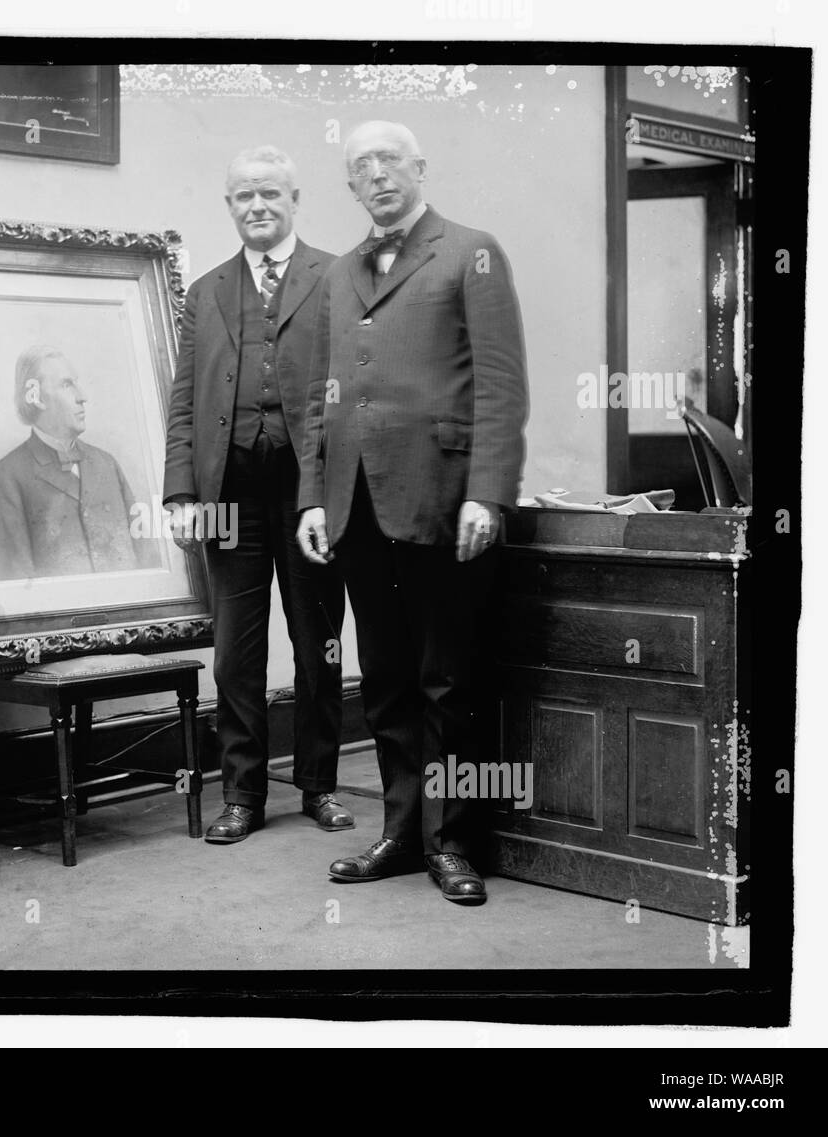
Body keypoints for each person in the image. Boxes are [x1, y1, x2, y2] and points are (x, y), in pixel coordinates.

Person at [296, 121, 529, 904]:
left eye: (390, 159)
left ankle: (451, 840)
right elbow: (319, 396)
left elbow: (499, 385)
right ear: (351, 187)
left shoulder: (471, 252)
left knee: (448, 681)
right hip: (356, 505)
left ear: (419, 167)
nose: (377, 174)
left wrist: (488, 492)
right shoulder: (337, 274)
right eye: (361, 166)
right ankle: (399, 832)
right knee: (387, 679)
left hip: (441, 499)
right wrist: (313, 498)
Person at [163, 145, 352, 844]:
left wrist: (328, 496)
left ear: (295, 200)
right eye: (245, 196)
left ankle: (319, 784)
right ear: (230, 207)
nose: (258, 207)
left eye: (271, 194)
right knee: (236, 654)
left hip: (309, 498)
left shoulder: (338, 279)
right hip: (230, 495)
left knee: (317, 643)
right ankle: (241, 794)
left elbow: (349, 399)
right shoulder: (205, 292)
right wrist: (181, 490)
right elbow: (184, 402)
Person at [0, 345, 159, 580]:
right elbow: (15, 584)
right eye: (67, 385)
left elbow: (148, 560)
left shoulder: (106, 464)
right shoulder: (6, 476)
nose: (82, 396)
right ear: (36, 398)